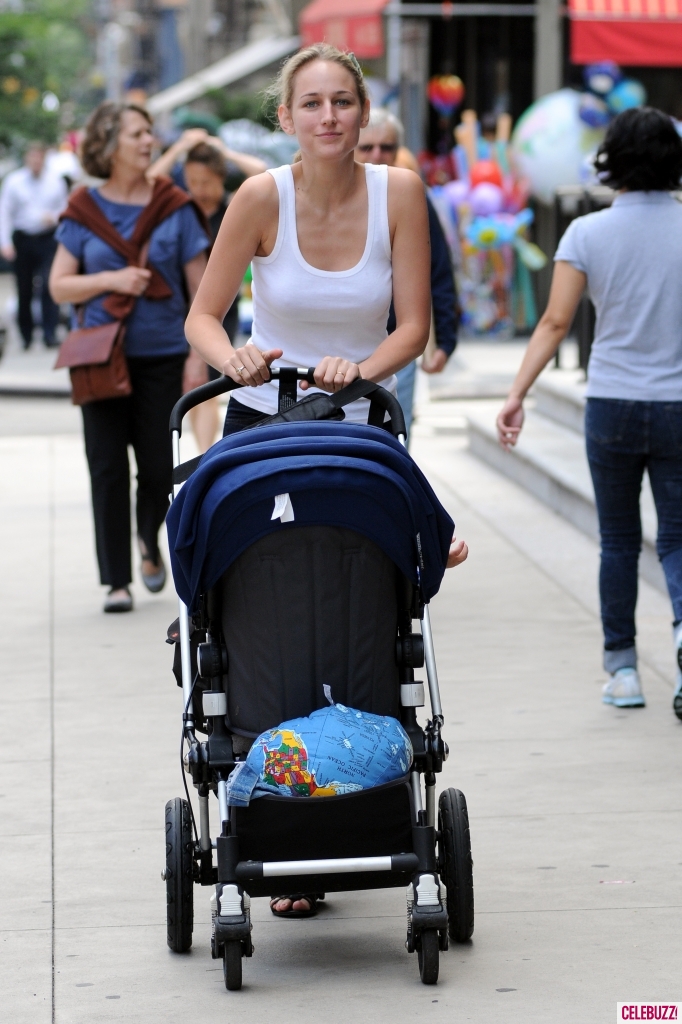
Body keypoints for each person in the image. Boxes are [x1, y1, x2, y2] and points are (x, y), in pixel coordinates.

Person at [185, 43, 469, 914]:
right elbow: (201, 315)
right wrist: (232, 355)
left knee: (362, 605)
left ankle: (360, 778)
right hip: (264, 422)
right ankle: (273, 794)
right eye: (311, 104)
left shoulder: (402, 195)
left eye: (343, 101)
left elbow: (413, 326)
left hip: (358, 420)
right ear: (287, 118)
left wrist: (361, 364)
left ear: (362, 111)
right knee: (255, 599)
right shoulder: (259, 196)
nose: (330, 118)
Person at [496, 107, 682, 717]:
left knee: (619, 542)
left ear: (612, 161)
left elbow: (555, 322)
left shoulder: (587, 234)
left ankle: (623, 670)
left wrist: (518, 393)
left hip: (613, 404)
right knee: (679, 542)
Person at [49, 102, 210, 614]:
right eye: (138, 134)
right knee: (107, 469)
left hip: (163, 356)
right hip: (99, 356)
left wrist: (196, 358)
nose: (149, 142)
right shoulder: (83, 208)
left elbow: (202, 294)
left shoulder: (175, 205)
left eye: (149, 133)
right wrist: (110, 281)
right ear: (108, 144)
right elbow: (58, 287)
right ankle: (116, 581)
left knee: (160, 470)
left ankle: (147, 539)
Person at [148, 131, 267, 451]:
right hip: (177, 304)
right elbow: (148, 182)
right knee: (182, 382)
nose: (198, 190)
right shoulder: (180, 207)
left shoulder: (235, 207)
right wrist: (178, 148)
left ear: (219, 177)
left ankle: (204, 455)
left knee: (206, 382)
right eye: (191, 181)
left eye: (205, 181)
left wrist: (223, 151)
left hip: (217, 306)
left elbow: (261, 171)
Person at [355, 108, 458, 436]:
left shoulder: (411, 196)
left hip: (396, 340)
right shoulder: (327, 196)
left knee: (394, 438)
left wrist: (445, 337)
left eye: (387, 147)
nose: (377, 154)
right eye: (367, 147)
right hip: (335, 342)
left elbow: (438, 268)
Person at [0, 142, 67, 349]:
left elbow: (65, 211)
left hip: (47, 238)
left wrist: (53, 218)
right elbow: (5, 213)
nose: (36, 161)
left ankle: (49, 333)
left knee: (49, 284)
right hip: (23, 238)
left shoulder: (55, 181)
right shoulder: (14, 181)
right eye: (33, 157)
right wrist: (5, 243)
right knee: (24, 288)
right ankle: (26, 335)